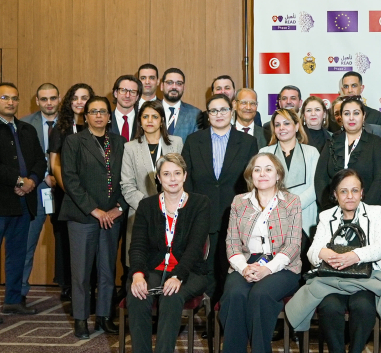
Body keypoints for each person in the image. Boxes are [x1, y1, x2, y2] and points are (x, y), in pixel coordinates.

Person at [286, 169, 381, 353]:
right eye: (343, 191)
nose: (350, 196)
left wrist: (353, 256)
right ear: (335, 195)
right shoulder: (326, 216)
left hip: (368, 276)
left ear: (362, 193)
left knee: (363, 306)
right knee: (329, 307)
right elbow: (312, 252)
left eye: (355, 190)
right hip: (333, 278)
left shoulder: (375, 212)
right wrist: (323, 253)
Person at [126, 154, 211, 353]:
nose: (172, 179)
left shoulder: (199, 203)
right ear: (158, 178)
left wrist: (178, 275)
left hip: (189, 271)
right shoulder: (147, 205)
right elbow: (138, 246)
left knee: (171, 296)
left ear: (185, 176)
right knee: (137, 294)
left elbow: (195, 248)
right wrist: (138, 274)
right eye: (166, 174)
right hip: (154, 269)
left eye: (177, 173)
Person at [219, 153, 303, 353]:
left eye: (268, 169)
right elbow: (232, 243)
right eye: (257, 170)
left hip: (282, 265)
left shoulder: (291, 201)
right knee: (235, 295)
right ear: (250, 175)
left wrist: (268, 269)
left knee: (260, 295)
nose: (263, 174)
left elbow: (294, 244)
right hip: (245, 263)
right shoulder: (239, 202)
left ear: (278, 175)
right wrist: (244, 267)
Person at [0, 82, 47, 324]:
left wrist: (32, 181)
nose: (11, 102)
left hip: (24, 203)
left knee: (17, 255)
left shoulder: (27, 129)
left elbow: (40, 161)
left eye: (15, 98)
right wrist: (18, 180)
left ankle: (13, 301)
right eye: (5, 97)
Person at [60, 95, 127, 339]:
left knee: (107, 269)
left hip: (112, 216)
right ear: (85, 116)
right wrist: (94, 210)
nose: (98, 115)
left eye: (103, 111)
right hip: (82, 216)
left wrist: (118, 208)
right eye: (93, 111)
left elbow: (125, 177)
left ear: (110, 116)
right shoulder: (74, 141)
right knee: (81, 272)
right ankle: (80, 318)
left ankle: (104, 317)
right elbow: (70, 179)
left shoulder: (120, 142)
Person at [181, 94, 259, 297]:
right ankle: (209, 320)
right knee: (206, 269)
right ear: (207, 115)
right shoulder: (193, 141)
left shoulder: (248, 142)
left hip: (235, 216)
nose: (219, 114)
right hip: (202, 214)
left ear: (232, 112)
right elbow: (186, 178)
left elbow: (252, 181)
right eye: (213, 110)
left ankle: (227, 318)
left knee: (231, 269)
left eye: (223, 109)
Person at [120, 101, 183, 268]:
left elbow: (181, 178)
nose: (150, 120)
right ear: (139, 120)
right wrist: (152, 206)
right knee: (140, 264)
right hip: (140, 213)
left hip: (172, 213)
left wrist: (167, 206)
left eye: (155, 117)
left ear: (162, 120)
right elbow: (127, 185)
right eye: (145, 116)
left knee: (169, 264)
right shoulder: (130, 147)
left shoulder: (176, 143)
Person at [49, 83, 95, 304]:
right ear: (68, 102)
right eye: (75, 97)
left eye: (84, 98)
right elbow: (55, 164)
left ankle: (91, 289)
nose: (79, 102)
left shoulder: (97, 125)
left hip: (93, 195)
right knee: (67, 242)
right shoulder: (61, 128)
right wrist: (71, 191)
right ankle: (69, 287)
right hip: (67, 194)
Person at [20, 83, 60, 305]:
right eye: (44, 99)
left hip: (64, 192)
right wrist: (44, 174)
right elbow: (22, 158)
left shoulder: (70, 122)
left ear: (59, 98)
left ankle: (69, 290)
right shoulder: (25, 124)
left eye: (53, 98)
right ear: (37, 101)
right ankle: (21, 291)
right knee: (27, 243)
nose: (49, 103)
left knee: (67, 244)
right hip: (35, 191)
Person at [314, 96, 381, 207]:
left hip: (368, 209)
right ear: (341, 117)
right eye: (346, 114)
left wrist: (362, 208)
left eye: (356, 113)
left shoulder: (375, 142)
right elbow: (320, 178)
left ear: (363, 116)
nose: (351, 118)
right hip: (334, 209)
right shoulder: (331, 142)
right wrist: (328, 206)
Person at [259, 109, 319, 235]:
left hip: (305, 217)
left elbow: (316, 187)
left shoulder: (311, 152)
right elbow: (260, 186)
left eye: (286, 123)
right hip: (274, 217)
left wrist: (293, 205)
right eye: (277, 125)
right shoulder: (264, 153)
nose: (282, 128)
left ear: (297, 126)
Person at [160, 68, 200, 141]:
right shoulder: (150, 110)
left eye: (179, 83)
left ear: (183, 87)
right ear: (162, 86)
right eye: (169, 82)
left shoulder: (195, 114)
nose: (174, 87)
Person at [110, 75, 141, 140]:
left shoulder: (143, 121)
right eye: (123, 90)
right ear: (115, 93)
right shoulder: (106, 120)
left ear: (137, 97)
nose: (127, 95)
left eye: (132, 92)